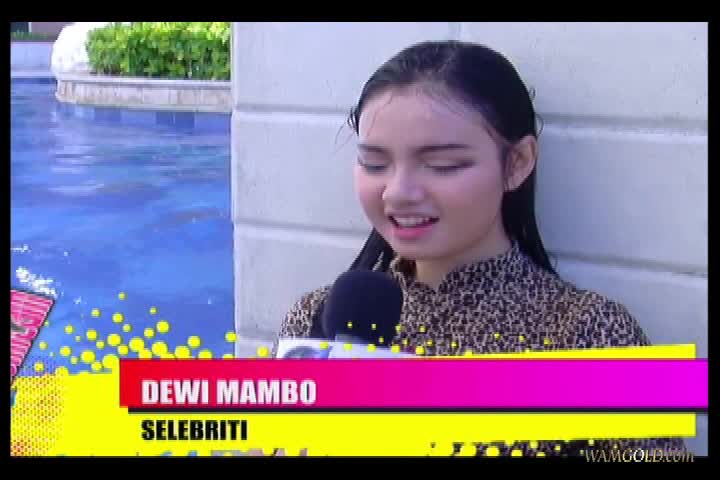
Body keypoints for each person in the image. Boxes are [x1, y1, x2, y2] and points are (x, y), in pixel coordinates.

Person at [276, 40, 687, 457]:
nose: (398, 193)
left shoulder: (596, 338)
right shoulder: (312, 319)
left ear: (518, 162)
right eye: (375, 163)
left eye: (443, 165)